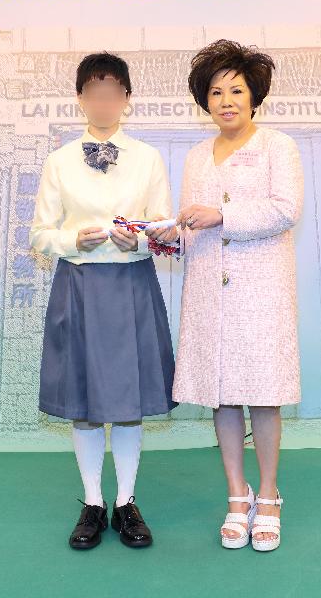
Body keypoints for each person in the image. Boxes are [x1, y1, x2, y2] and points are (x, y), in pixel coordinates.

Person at [30, 52, 178, 550]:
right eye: (94, 91)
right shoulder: (58, 161)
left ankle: (126, 502)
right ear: (80, 99)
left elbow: (164, 231)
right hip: (79, 286)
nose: (103, 101)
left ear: (127, 99)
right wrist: (75, 240)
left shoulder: (148, 158)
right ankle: (93, 501)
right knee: (87, 403)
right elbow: (39, 235)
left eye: (113, 91)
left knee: (130, 403)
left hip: (132, 286)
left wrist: (134, 240)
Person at [172, 39, 304, 552]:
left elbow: (285, 209)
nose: (226, 100)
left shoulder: (278, 146)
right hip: (208, 287)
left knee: (263, 396)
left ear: (254, 96)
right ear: (205, 101)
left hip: (261, 288)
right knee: (221, 394)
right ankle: (236, 494)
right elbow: (191, 222)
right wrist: (165, 235)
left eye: (236, 90)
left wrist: (224, 215)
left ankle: (269, 495)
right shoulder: (194, 156)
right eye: (215, 91)